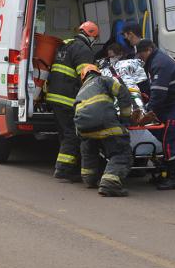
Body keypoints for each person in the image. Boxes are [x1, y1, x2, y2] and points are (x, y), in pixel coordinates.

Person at [136, 39, 175, 190]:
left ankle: (173, 179)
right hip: (172, 104)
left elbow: (158, 94)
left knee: (170, 136)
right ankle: (163, 172)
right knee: (161, 133)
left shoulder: (159, 64)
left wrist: (147, 112)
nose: (140, 58)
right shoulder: (155, 61)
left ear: (149, 50)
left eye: (141, 54)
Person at [46, 21, 99, 182]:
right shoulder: (84, 50)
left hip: (54, 96)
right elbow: (87, 77)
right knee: (72, 135)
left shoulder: (65, 44)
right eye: (95, 38)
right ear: (91, 36)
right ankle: (63, 169)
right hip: (68, 98)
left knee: (64, 134)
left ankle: (67, 166)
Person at [73, 64, 134, 197]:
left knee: (89, 148)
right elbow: (123, 93)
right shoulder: (103, 80)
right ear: (97, 73)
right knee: (121, 152)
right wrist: (125, 119)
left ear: (83, 78)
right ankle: (110, 184)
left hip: (83, 128)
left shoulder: (81, 91)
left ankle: (89, 178)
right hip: (104, 121)